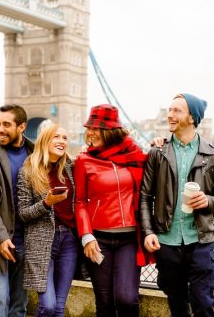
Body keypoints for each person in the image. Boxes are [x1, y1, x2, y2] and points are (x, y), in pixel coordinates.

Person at [139, 93, 214, 317]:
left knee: (203, 302)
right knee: (177, 304)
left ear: (192, 118)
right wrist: (148, 232)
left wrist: (208, 201)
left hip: (200, 240)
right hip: (166, 241)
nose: (170, 115)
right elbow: (145, 197)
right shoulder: (157, 153)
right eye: (169, 110)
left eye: (176, 111)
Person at [74, 104, 151, 317]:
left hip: (129, 238)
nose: (90, 132)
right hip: (98, 239)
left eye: (96, 128)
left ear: (111, 131)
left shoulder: (134, 155)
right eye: (89, 128)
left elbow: (155, 169)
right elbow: (79, 202)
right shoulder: (83, 160)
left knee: (127, 299)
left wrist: (160, 144)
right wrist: (86, 236)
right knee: (104, 302)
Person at [16, 123, 77, 317]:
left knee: (59, 307)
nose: (61, 141)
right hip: (41, 243)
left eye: (65, 138)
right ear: (45, 140)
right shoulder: (28, 171)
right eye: (56, 137)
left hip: (69, 240)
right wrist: (46, 203)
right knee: (48, 305)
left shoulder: (70, 167)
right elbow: (23, 213)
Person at [0, 104, 33, 317]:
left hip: (26, 240)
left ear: (21, 127)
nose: (0, 129)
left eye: (7, 125)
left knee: (19, 304)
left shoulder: (35, 151)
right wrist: (1, 239)